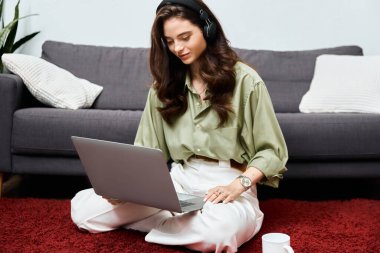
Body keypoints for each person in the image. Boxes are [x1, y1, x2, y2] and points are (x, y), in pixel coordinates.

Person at [71, 0, 288, 252]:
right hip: (178, 183)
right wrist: (127, 191)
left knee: (218, 233)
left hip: (228, 182)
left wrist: (239, 185)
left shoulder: (246, 81)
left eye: (185, 37)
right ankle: (177, 222)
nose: (178, 48)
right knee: (83, 209)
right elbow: (145, 151)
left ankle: (163, 221)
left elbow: (272, 152)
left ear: (207, 29)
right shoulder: (163, 88)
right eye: (170, 41)